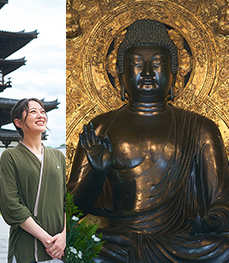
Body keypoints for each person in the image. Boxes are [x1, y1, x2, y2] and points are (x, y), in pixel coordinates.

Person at [67, 19, 229, 262]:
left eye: (157, 63)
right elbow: (72, 210)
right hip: (117, 242)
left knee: (223, 247)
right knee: (85, 247)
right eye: (136, 64)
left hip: (178, 241)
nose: (147, 72)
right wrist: (97, 173)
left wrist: (213, 220)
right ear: (120, 74)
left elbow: (222, 199)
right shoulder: (99, 128)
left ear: (174, 73)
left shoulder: (201, 128)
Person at [0, 98, 66, 263]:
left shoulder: (58, 156)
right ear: (18, 122)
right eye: (33, 111)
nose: (41, 115)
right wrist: (46, 239)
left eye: (43, 111)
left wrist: (64, 235)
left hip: (59, 247)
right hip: (28, 246)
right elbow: (11, 205)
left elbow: (68, 200)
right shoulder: (10, 156)